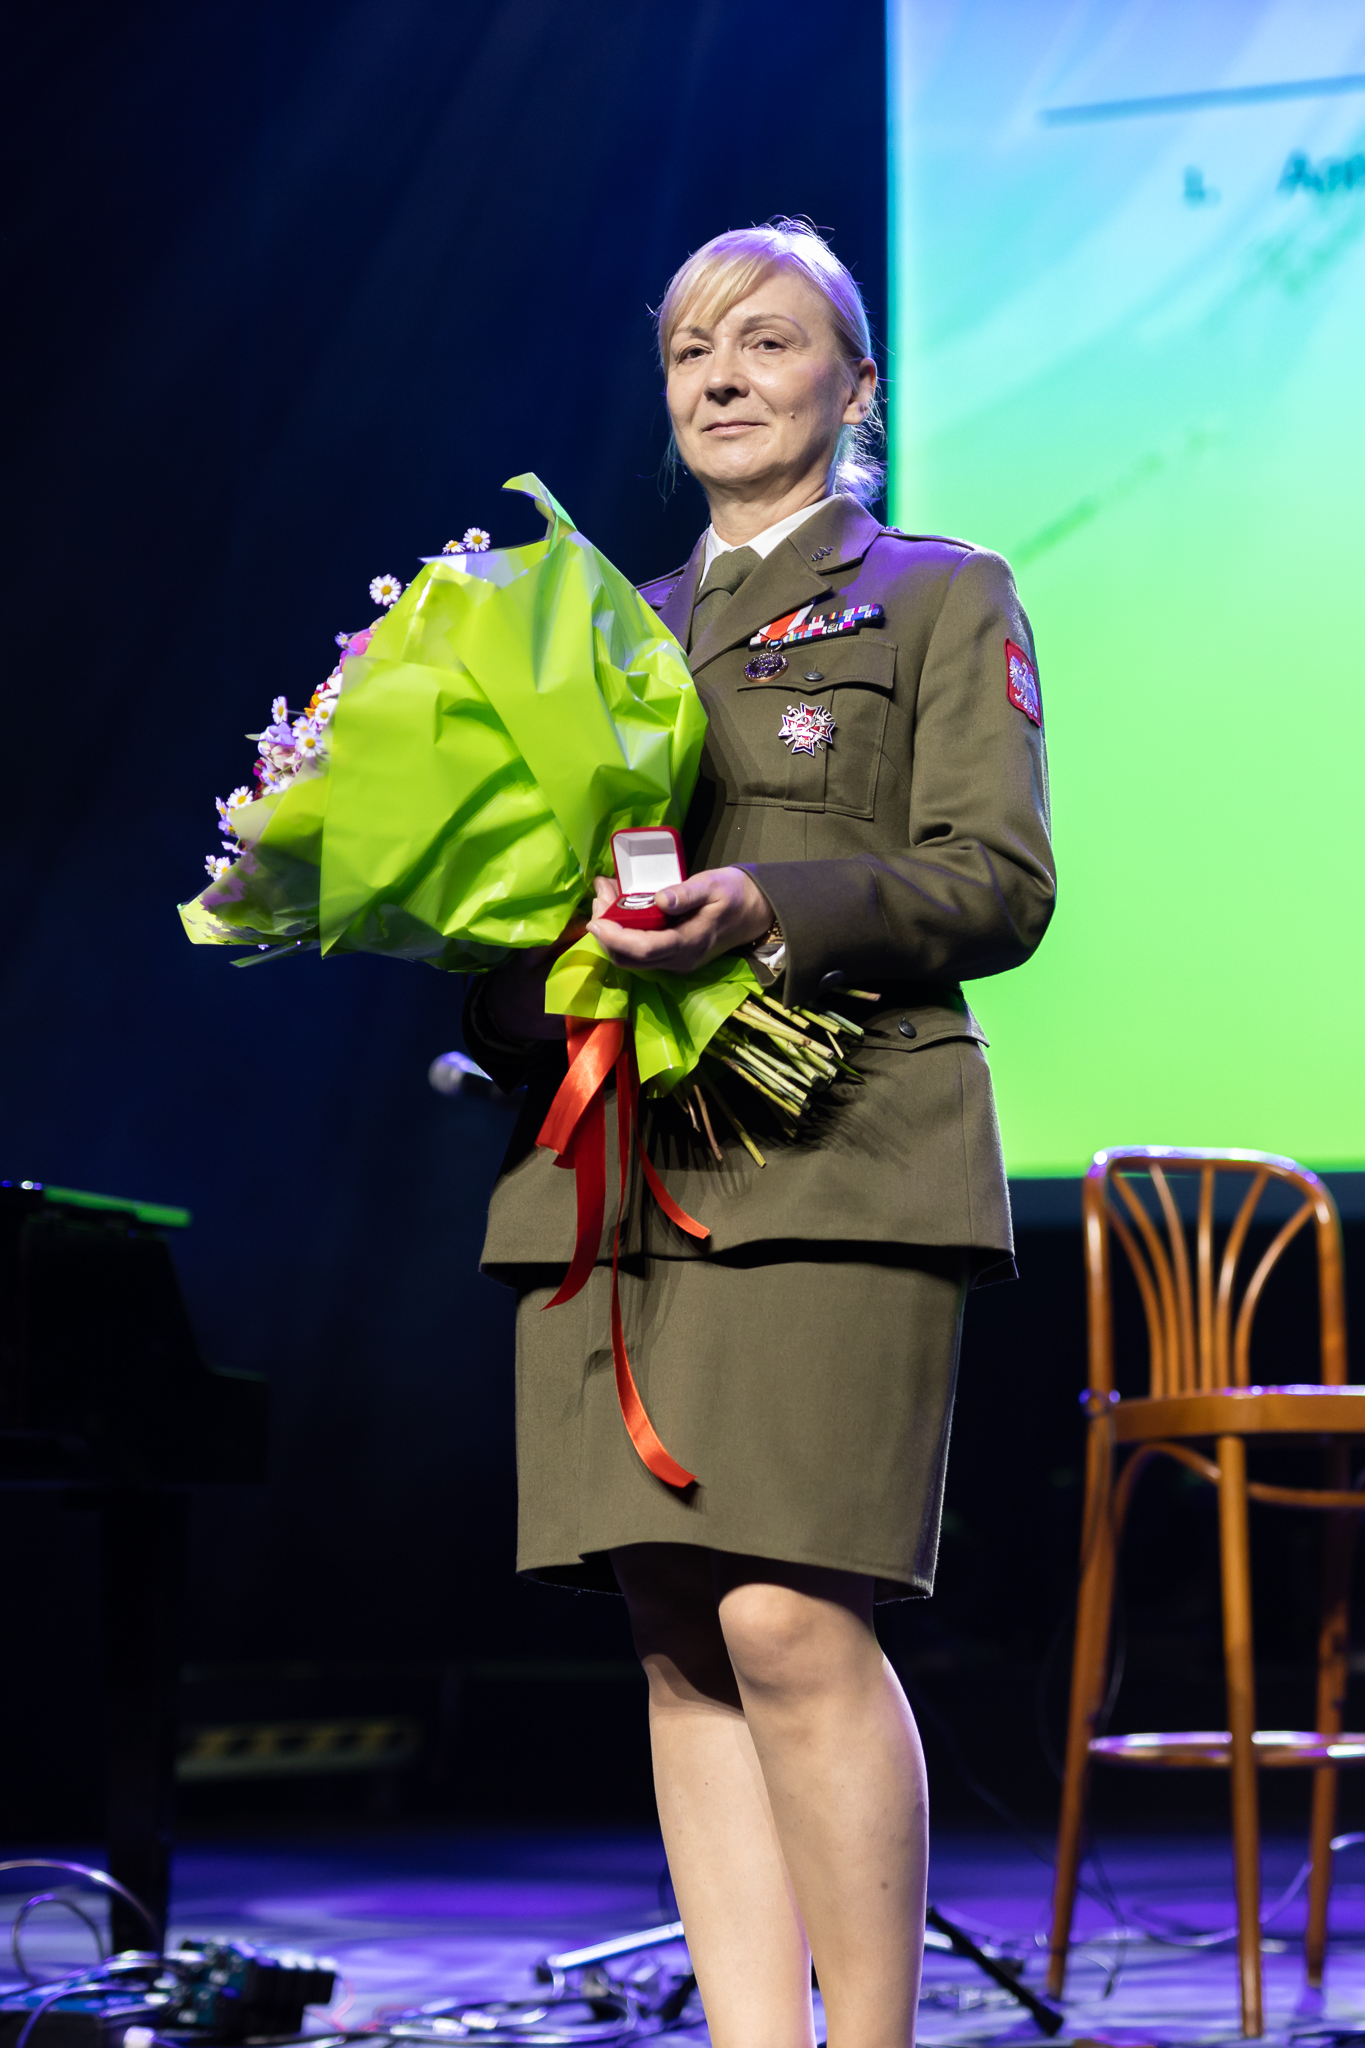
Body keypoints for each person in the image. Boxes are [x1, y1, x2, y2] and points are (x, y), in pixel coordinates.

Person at [464, 219, 1055, 2048]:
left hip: (842, 1155)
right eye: (690, 351)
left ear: (853, 385)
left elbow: (997, 883)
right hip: (618, 1170)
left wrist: (761, 911)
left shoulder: (940, 595)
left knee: (790, 1618)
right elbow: (504, 941)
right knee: (674, 1633)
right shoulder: (593, 638)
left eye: (768, 342)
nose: (721, 376)